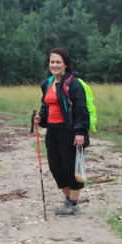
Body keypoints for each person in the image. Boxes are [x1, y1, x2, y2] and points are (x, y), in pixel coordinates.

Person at [34, 47, 89, 216]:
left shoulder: (73, 83)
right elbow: (46, 107)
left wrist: (80, 132)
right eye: (52, 62)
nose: (54, 65)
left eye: (58, 62)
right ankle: (68, 200)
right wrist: (41, 118)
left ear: (65, 64)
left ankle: (73, 203)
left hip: (68, 131)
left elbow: (81, 109)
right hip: (52, 131)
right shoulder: (47, 83)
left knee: (70, 167)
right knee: (56, 167)